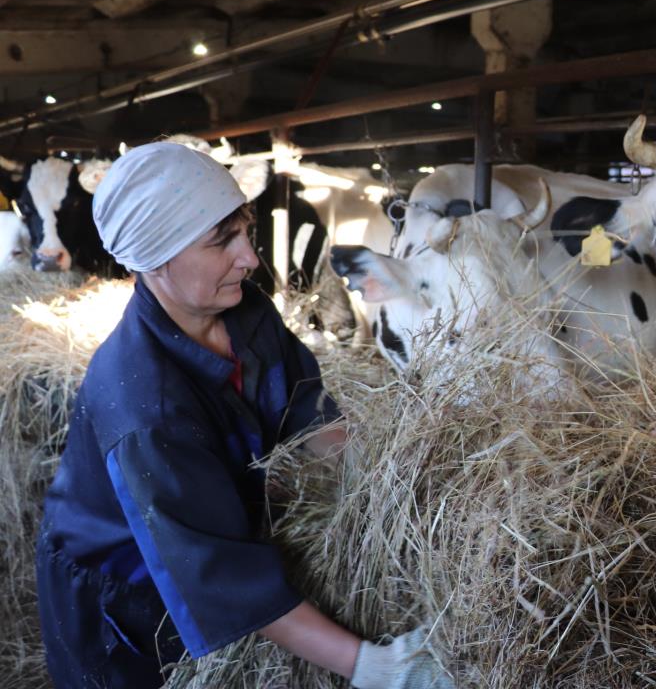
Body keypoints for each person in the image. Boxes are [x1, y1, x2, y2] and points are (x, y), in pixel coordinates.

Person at [35, 141, 451, 689]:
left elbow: (306, 410)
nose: (250, 257)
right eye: (222, 240)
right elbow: (219, 574)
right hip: (124, 586)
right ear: (156, 258)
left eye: (244, 230)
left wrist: (381, 484)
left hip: (205, 530)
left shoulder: (243, 308)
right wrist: (371, 666)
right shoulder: (146, 405)